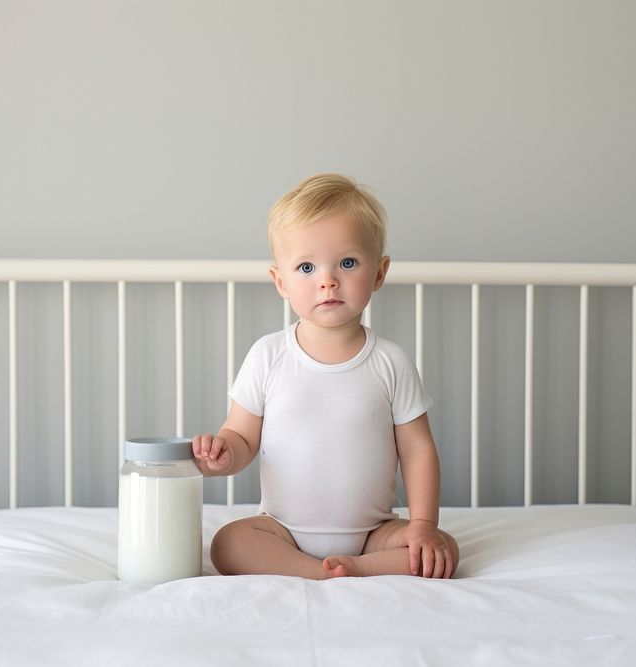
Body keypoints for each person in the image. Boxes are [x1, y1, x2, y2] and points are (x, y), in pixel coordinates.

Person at [192, 173, 459, 580]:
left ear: (379, 273)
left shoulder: (390, 361)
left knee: (442, 550)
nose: (327, 280)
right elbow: (242, 438)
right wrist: (222, 454)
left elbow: (418, 449)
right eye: (306, 266)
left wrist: (422, 526)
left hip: (373, 532)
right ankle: (318, 571)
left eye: (348, 263)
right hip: (282, 530)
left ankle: (356, 565)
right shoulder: (269, 355)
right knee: (229, 543)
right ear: (280, 281)